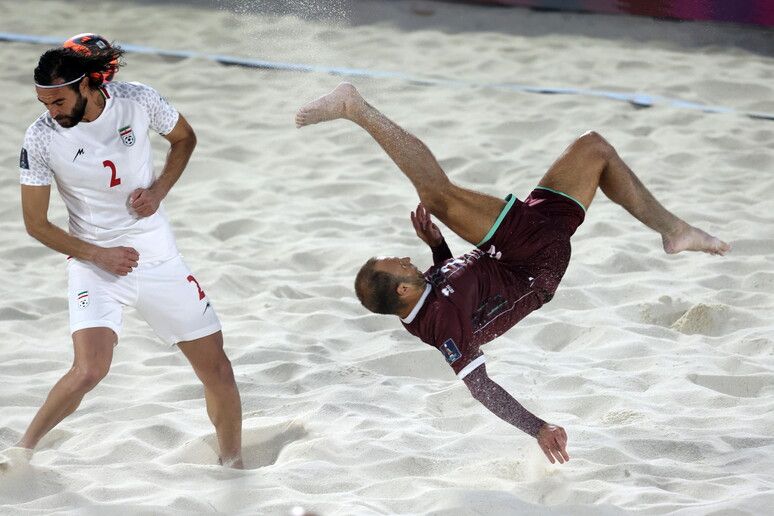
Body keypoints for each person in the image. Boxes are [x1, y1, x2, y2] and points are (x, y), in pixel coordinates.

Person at [296, 82, 730, 465]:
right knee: (438, 196)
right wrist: (537, 428)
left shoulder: (423, 296)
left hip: (524, 251)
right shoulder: (443, 326)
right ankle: (356, 108)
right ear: (404, 288)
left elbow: (458, 288)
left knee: (594, 148)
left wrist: (436, 246)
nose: (408, 261)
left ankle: (675, 232)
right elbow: (480, 386)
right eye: (403, 265)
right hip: (530, 262)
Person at [15, 45, 243, 467]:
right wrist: (98, 255)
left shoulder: (138, 100)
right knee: (89, 370)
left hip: (158, 257)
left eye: (59, 100)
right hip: (93, 263)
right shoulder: (41, 137)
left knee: (218, 371)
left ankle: (233, 466)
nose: (51, 110)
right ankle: (20, 452)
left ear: (87, 84)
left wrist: (158, 191)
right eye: (43, 101)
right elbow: (36, 224)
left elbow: (184, 139)